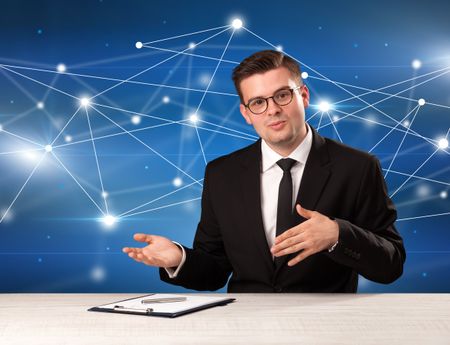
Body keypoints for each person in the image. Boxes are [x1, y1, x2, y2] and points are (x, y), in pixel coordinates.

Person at [122, 50, 406, 293]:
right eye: (258, 102)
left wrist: (337, 235)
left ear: (303, 96)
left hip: (325, 326)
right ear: (246, 113)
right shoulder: (222, 174)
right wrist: (179, 258)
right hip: (245, 327)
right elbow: (216, 270)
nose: (272, 110)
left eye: (282, 95)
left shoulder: (357, 168)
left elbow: (391, 265)